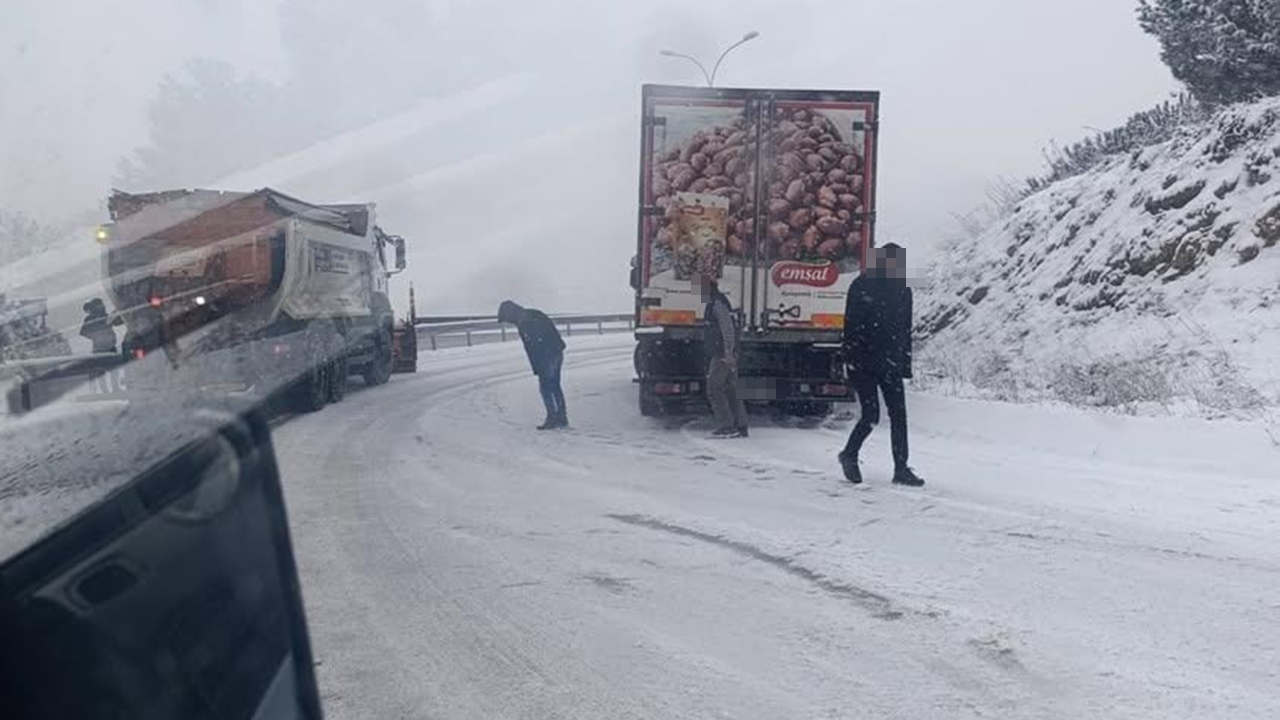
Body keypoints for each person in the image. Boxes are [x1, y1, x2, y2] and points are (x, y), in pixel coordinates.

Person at [838, 243, 925, 486]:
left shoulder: (902, 289)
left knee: (899, 416)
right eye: (895, 262)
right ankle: (849, 454)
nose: (898, 266)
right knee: (871, 415)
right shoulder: (862, 285)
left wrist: (904, 364)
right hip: (864, 364)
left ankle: (901, 468)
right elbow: (851, 327)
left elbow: (905, 331)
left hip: (890, 363)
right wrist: (851, 360)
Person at [498, 300, 568, 430]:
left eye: (507, 319)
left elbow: (535, 347)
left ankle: (553, 417)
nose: (509, 323)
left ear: (511, 314)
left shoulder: (526, 322)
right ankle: (561, 417)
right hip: (556, 351)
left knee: (546, 387)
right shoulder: (531, 315)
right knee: (555, 385)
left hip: (549, 355)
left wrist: (540, 367)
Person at [699, 273, 748, 438]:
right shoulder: (717, 301)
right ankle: (741, 425)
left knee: (714, 389)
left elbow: (727, 330)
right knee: (731, 389)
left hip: (722, 354)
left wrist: (728, 354)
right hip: (726, 352)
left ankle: (726, 425)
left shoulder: (717, 303)